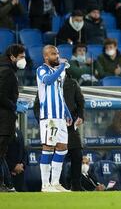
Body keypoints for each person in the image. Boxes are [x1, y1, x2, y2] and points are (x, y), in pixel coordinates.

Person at [34, 69, 85, 191]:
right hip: (51, 121)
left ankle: (73, 185)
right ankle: (47, 184)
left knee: (74, 154)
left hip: (68, 125)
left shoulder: (72, 83)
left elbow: (80, 102)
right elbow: (37, 104)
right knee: (49, 150)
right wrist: (41, 121)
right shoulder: (46, 82)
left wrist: (80, 116)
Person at [36, 45, 73, 192]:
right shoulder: (42, 70)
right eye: (53, 54)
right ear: (46, 56)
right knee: (48, 147)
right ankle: (45, 185)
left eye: (57, 53)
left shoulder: (60, 72)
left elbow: (59, 93)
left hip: (60, 115)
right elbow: (49, 81)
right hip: (49, 116)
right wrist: (62, 66)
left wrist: (67, 112)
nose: (57, 56)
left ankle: (55, 183)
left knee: (62, 148)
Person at [0, 44, 27, 192]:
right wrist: (14, 106)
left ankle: (3, 185)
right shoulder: (6, 72)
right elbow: (1, 96)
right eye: (21, 57)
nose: (24, 60)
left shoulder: (8, 70)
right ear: (12, 57)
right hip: (3, 120)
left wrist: (15, 103)